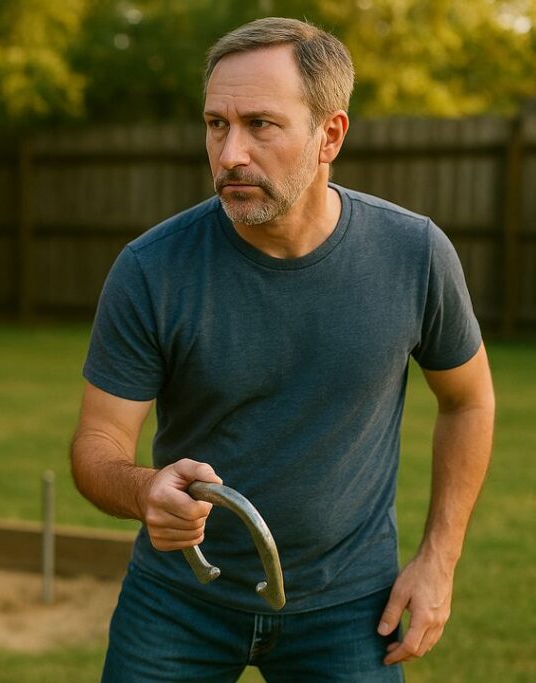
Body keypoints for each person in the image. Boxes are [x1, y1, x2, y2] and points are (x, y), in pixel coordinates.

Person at [70, 16, 494, 683]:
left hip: (349, 604)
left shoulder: (413, 254)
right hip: (180, 597)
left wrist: (439, 557)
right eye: (216, 124)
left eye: (260, 125)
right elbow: (96, 445)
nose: (230, 152)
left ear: (331, 134)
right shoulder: (152, 268)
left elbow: (468, 400)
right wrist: (146, 488)